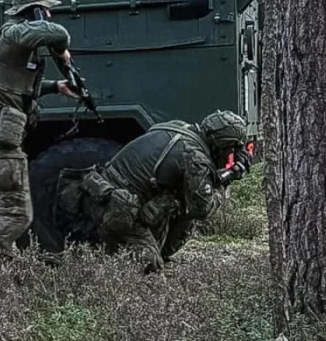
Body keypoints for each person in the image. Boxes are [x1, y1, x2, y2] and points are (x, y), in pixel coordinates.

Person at [0, 0, 83, 281]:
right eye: (46, 10)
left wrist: (56, 86)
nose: (50, 16)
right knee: (16, 213)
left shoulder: (1, 40)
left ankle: (3, 277)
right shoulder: (15, 33)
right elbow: (59, 34)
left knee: (8, 207)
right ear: (36, 10)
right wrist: (61, 51)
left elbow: (9, 88)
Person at [68, 110, 249, 273]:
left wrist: (222, 175)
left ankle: (154, 253)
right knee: (148, 269)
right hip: (117, 207)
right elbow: (202, 208)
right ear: (222, 145)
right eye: (232, 149)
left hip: (104, 193)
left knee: (178, 205)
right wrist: (225, 182)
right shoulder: (195, 157)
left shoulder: (179, 127)